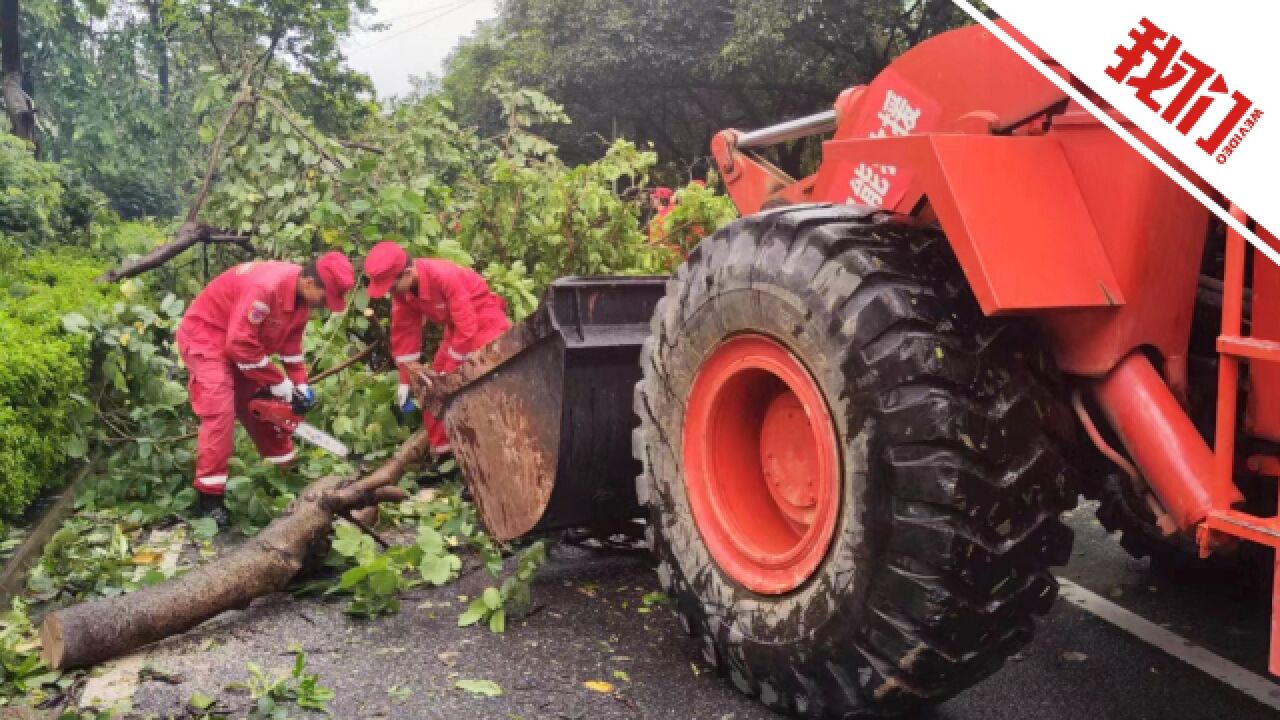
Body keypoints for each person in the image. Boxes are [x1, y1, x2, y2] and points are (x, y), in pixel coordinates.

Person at [176, 253, 355, 523]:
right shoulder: (266, 290)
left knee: (261, 406)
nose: (325, 305)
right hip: (208, 337)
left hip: (244, 344)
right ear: (309, 282)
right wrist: (279, 382)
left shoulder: (300, 301)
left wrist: (300, 385)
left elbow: (291, 350)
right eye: (325, 297)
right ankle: (209, 497)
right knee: (220, 410)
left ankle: (283, 470)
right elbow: (238, 345)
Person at [363, 242, 511, 456]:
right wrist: (406, 380)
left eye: (392, 287)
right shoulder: (403, 293)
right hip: (455, 329)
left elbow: (468, 329)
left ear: (407, 273)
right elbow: (405, 335)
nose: (391, 293)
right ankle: (445, 452)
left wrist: (448, 372)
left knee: (476, 384)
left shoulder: (445, 276)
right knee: (430, 388)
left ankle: (486, 445)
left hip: (484, 322)